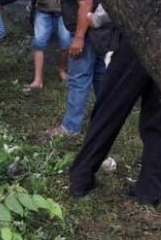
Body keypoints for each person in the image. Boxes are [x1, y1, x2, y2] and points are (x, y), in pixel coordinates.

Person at [68, 34, 161, 204]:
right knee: (157, 120)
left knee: (110, 108)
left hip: (141, 38)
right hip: (149, 39)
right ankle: (149, 190)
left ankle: (81, 177)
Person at [44, 0, 106, 137]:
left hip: (86, 31)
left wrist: (79, 37)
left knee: (79, 79)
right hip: (100, 29)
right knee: (101, 77)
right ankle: (109, 120)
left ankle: (71, 127)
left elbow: (85, 4)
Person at [23, 0, 71, 91]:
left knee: (65, 43)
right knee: (38, 43)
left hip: (64, 11)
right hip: (42, 9)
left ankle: (62, 70)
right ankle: (37, 80)